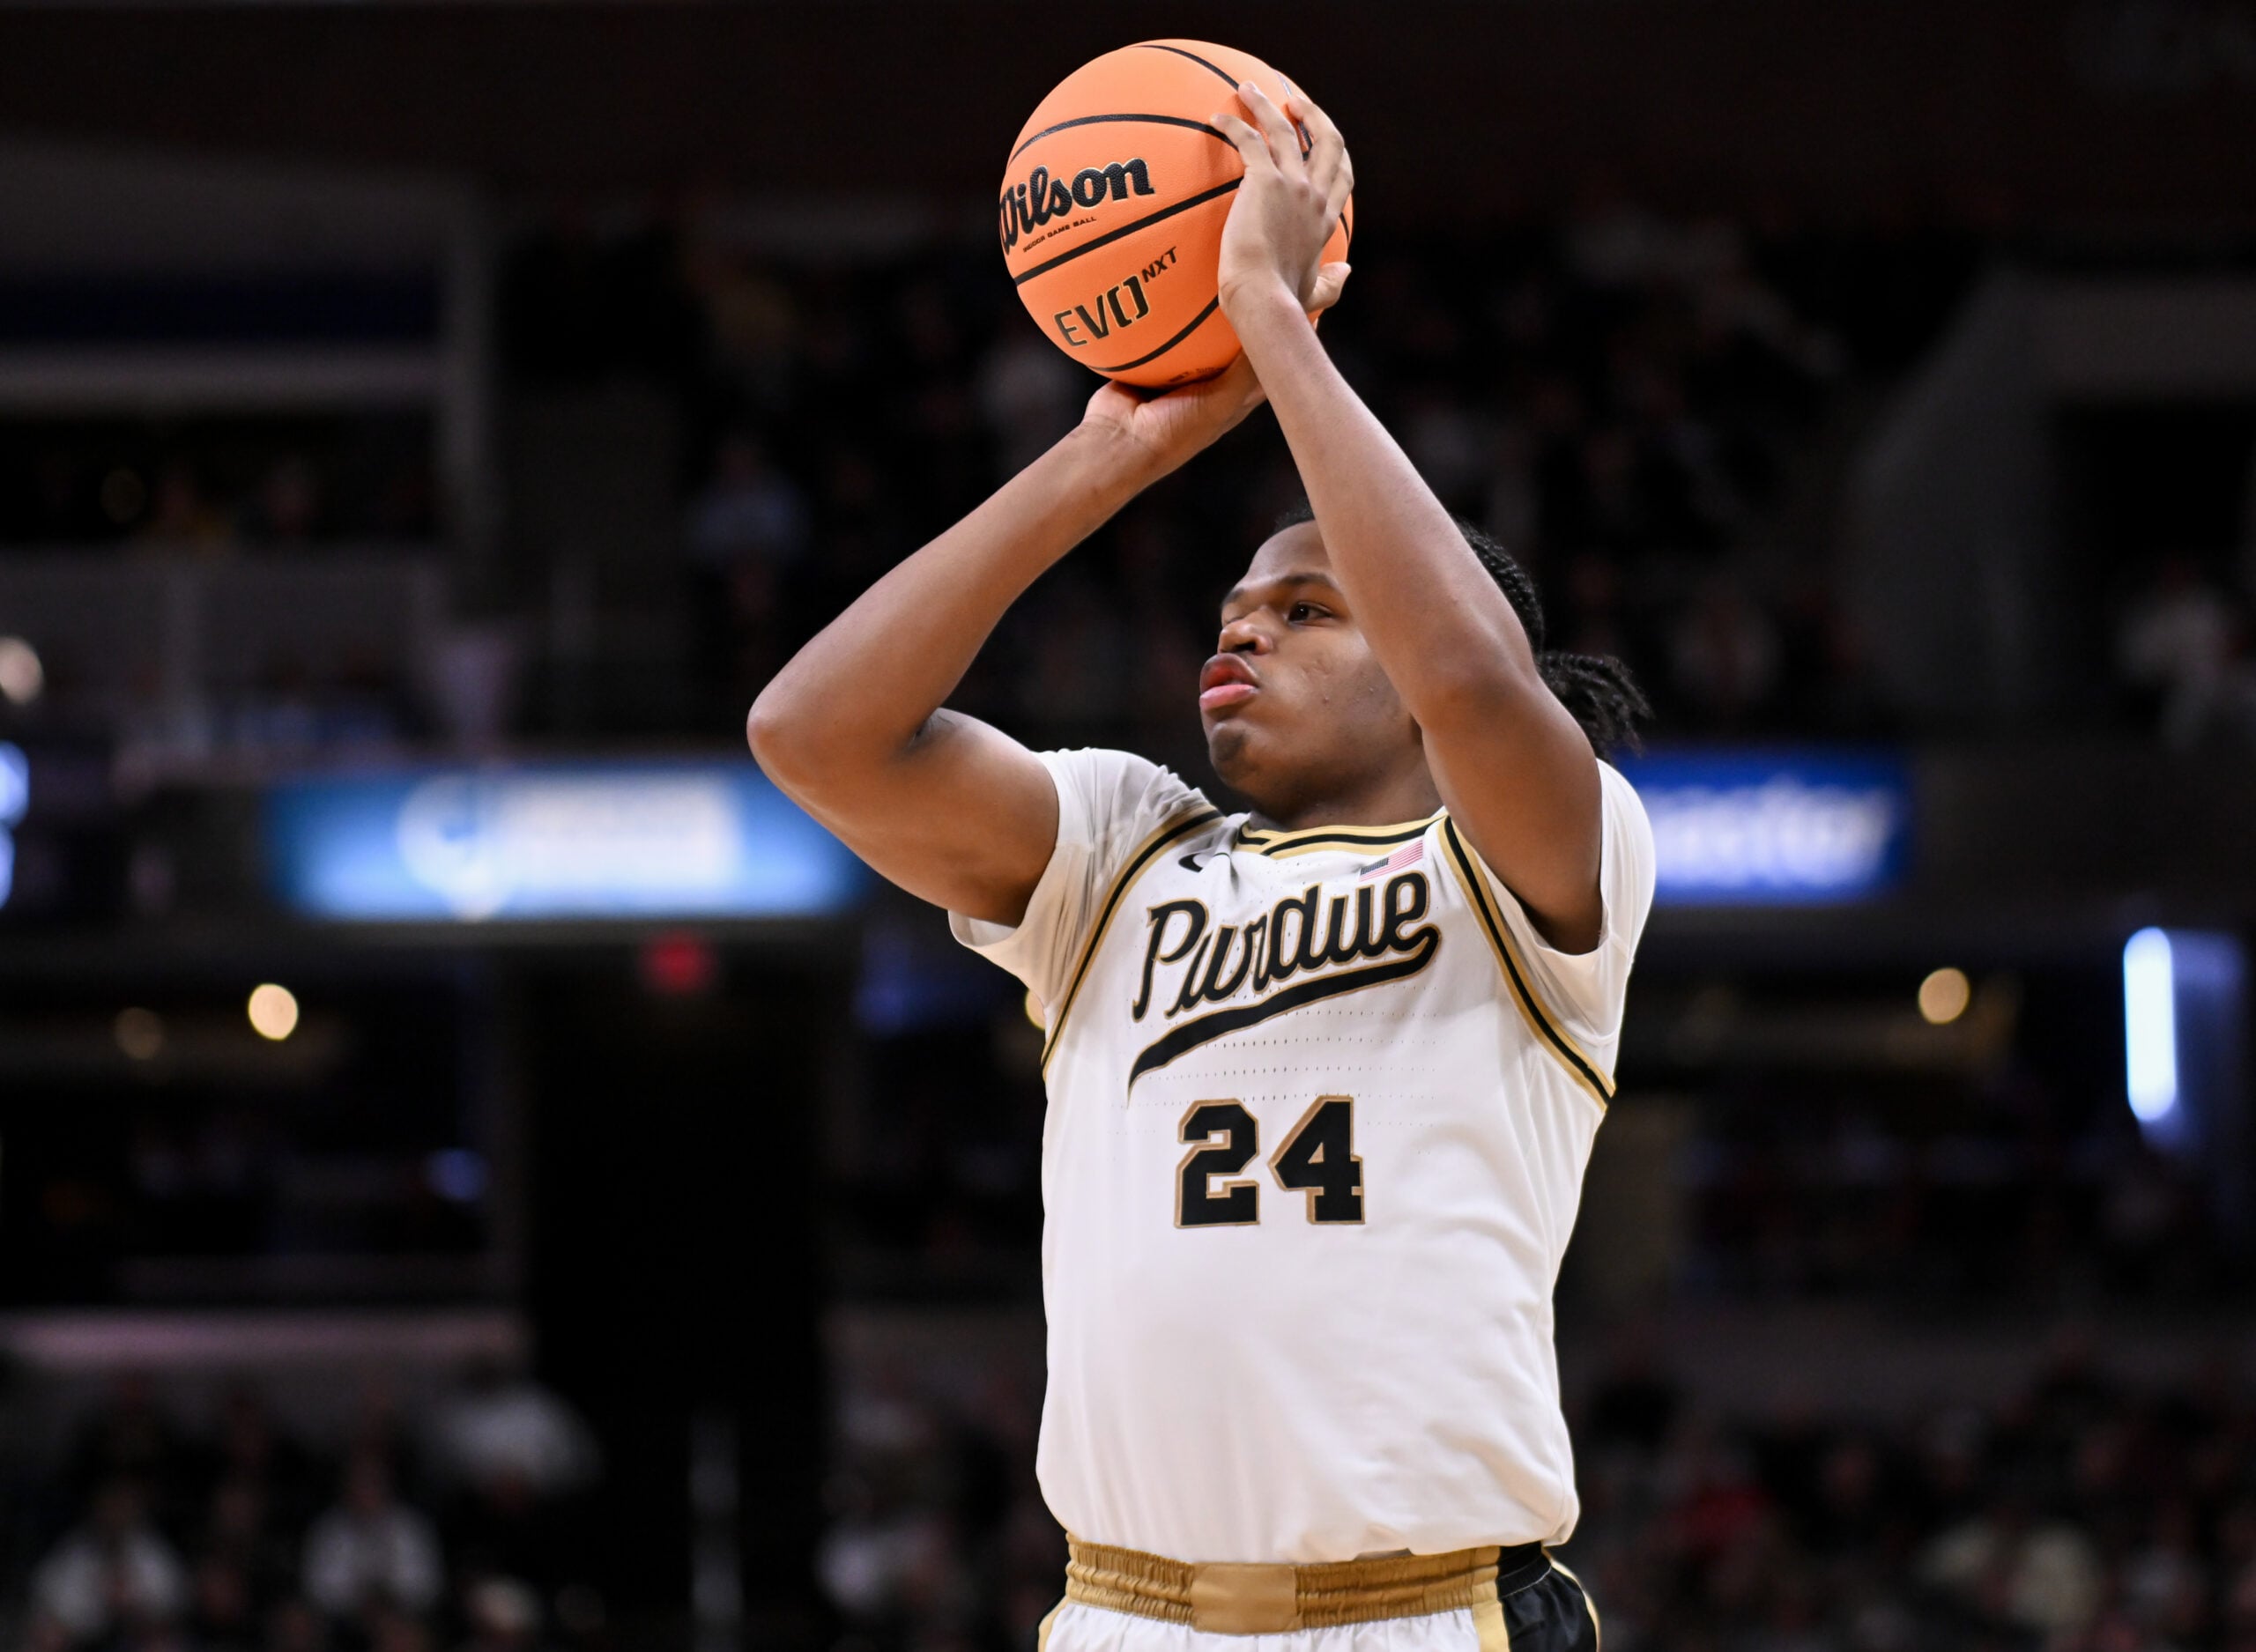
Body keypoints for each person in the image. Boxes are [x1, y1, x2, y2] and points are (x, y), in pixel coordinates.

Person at [751, 82, 1654, 1652]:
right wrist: (1113, 451)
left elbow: (1472, 682)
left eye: (1309, 610)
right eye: (1236, 604)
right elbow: (811, 732)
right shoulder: (1123, 849)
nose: (1243, 623)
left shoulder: (1537, 864)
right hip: (1126, 1615)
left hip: (1431, 1615)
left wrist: (1274, 327)